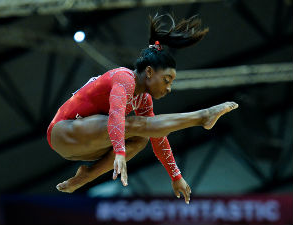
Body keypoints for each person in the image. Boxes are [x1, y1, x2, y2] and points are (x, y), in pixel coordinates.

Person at [47, 13, 238, 204]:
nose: (169, 88)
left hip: (84, 144)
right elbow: (116, 114)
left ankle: (85, 177)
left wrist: (176, 176)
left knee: (141, 138)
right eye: (166, 80)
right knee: (134, 124)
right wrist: (120, 152)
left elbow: (158, 136)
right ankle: (202, 116)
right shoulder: (124, 78)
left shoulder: (143, 99)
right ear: (149, 72)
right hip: (63, 131)